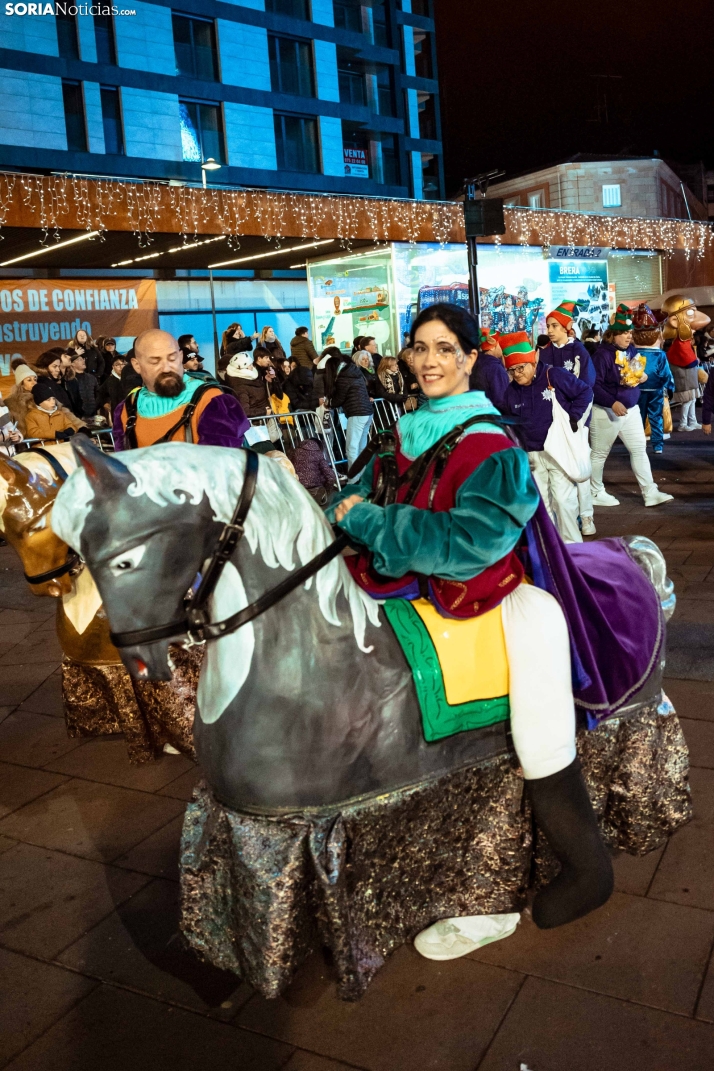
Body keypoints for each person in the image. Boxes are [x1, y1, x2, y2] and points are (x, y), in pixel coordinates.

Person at [327, 302, 614, 931]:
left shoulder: (490, 441)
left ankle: (587, 863)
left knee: (539, 686)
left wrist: (370, 521)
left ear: (467, 359)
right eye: (419, 349)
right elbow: (355, 493)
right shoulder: (408, 426)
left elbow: (474, 544)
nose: (428, 361)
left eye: (442, 349)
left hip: (485, 590)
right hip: (400, 586)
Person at [500, 331, 592, 544]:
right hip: (531, 454)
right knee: (542, 505)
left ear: (532, 361)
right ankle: (550, 550)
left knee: (563, 500)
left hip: (557, 449)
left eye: (520, 368)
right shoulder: (511, 390)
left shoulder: (554, 375)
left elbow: (584, 392)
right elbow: (507, 418)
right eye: (512, 370)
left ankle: (572, 548)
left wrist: (574, 416)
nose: (517, 374)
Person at [590, 304, 673, 508]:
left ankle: (650, 492)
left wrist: (642, 376)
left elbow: (635, 369)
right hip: (605, 411)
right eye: (624, 333)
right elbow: (594, 385)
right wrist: (612, 402)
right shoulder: (602, 355)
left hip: (631, 409)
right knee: (599, 454)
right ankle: (594, 492)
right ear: (613, 335)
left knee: (639, 450)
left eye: (630, 332)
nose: (629, 336)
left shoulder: (631, 349)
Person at [113, 328, 249, 450]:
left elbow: (219, 468)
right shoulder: (127, 408)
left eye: (172, 359)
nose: (166, 368)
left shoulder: (211, 401)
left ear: (181, 357)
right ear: (137, 365)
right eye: (155, 362)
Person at [540, 301, 597, 535]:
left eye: (555, 325)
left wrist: (576, 419)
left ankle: (586, 516)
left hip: (575, 420)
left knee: (578, 465)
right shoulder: (544, 353)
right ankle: (563, 516)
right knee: (558, 470)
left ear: (567, 327)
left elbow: (587, 386)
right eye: (548, 325)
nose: (550, 330)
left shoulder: (579, 352)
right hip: (551, 422)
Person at [632, 304, 675, 455]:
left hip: (637, 390)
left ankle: (638, 442)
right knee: (656, 417)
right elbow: (666, 374)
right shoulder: (660, 355)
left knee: (638, 417)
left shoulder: (633, 352)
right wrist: (670, 388)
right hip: (655, 389)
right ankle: (657, 445)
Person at [663, 295, 711, 432]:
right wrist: (695, 361)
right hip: (685, 378)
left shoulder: (682, 342)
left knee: (691, 401)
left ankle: (692, 421)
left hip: (689, 377)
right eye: (690, 313)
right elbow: (687, 360)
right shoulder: (679, 343)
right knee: (687, 401)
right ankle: (683, 424)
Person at [325, 350, 373, 475]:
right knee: (362, 447)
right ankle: (364, 476)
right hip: (368, 412)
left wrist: (328, 403)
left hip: (357, 413)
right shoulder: (355, 373)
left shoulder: (343, 377)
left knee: (351, 448)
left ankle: (354, 478)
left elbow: (339, 399)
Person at [287, 437, 337, 505]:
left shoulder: (294, 452)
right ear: (318, 446)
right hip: (316, 494)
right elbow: (331, 477)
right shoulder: (318, 454)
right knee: (322, 474)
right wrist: (327, 492)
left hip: (297, 493)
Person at [469, 328, 509, 410]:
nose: (502, 347)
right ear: (492, 347)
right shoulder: (495, 368)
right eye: (500, 344)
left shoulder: (473, 363)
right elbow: (502, 400)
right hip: (492, 417)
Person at [225, 350, 271, 418]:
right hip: (257, 425)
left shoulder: (250, 378)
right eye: (250, 365)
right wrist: (264, 411)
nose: (252, 367)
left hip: (264, 421)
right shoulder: (240, 387)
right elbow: (244, 412)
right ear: (243, 368)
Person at [6, 363, 38, 438]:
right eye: (29, 380)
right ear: (21, 384)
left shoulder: (42, 397)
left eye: (35, 379)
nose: (34, 383)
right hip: (24, 441)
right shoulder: (11, 402)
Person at [96, 353, 128, 421]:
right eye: (118, 365)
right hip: (117, 414)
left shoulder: (132, 378)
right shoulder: (109, 380)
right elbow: (100, 392)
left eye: (124, 364)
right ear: (113, 366)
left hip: (131, 412)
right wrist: (104, 403)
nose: (121, 367)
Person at [69, 350, 99, 418]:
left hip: (93, 413)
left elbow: (97, 394)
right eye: (79, 360)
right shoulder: (71, 379)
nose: (83, 361)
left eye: (83, 359)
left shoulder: (91, 377)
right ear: (72, 364)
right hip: (78, 415)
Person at [0, 391, 22, 456]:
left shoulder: (3, 412)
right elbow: (5, 434)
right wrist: (6, 435)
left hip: (10, 455)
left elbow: (12, 428)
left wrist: (17, 436)